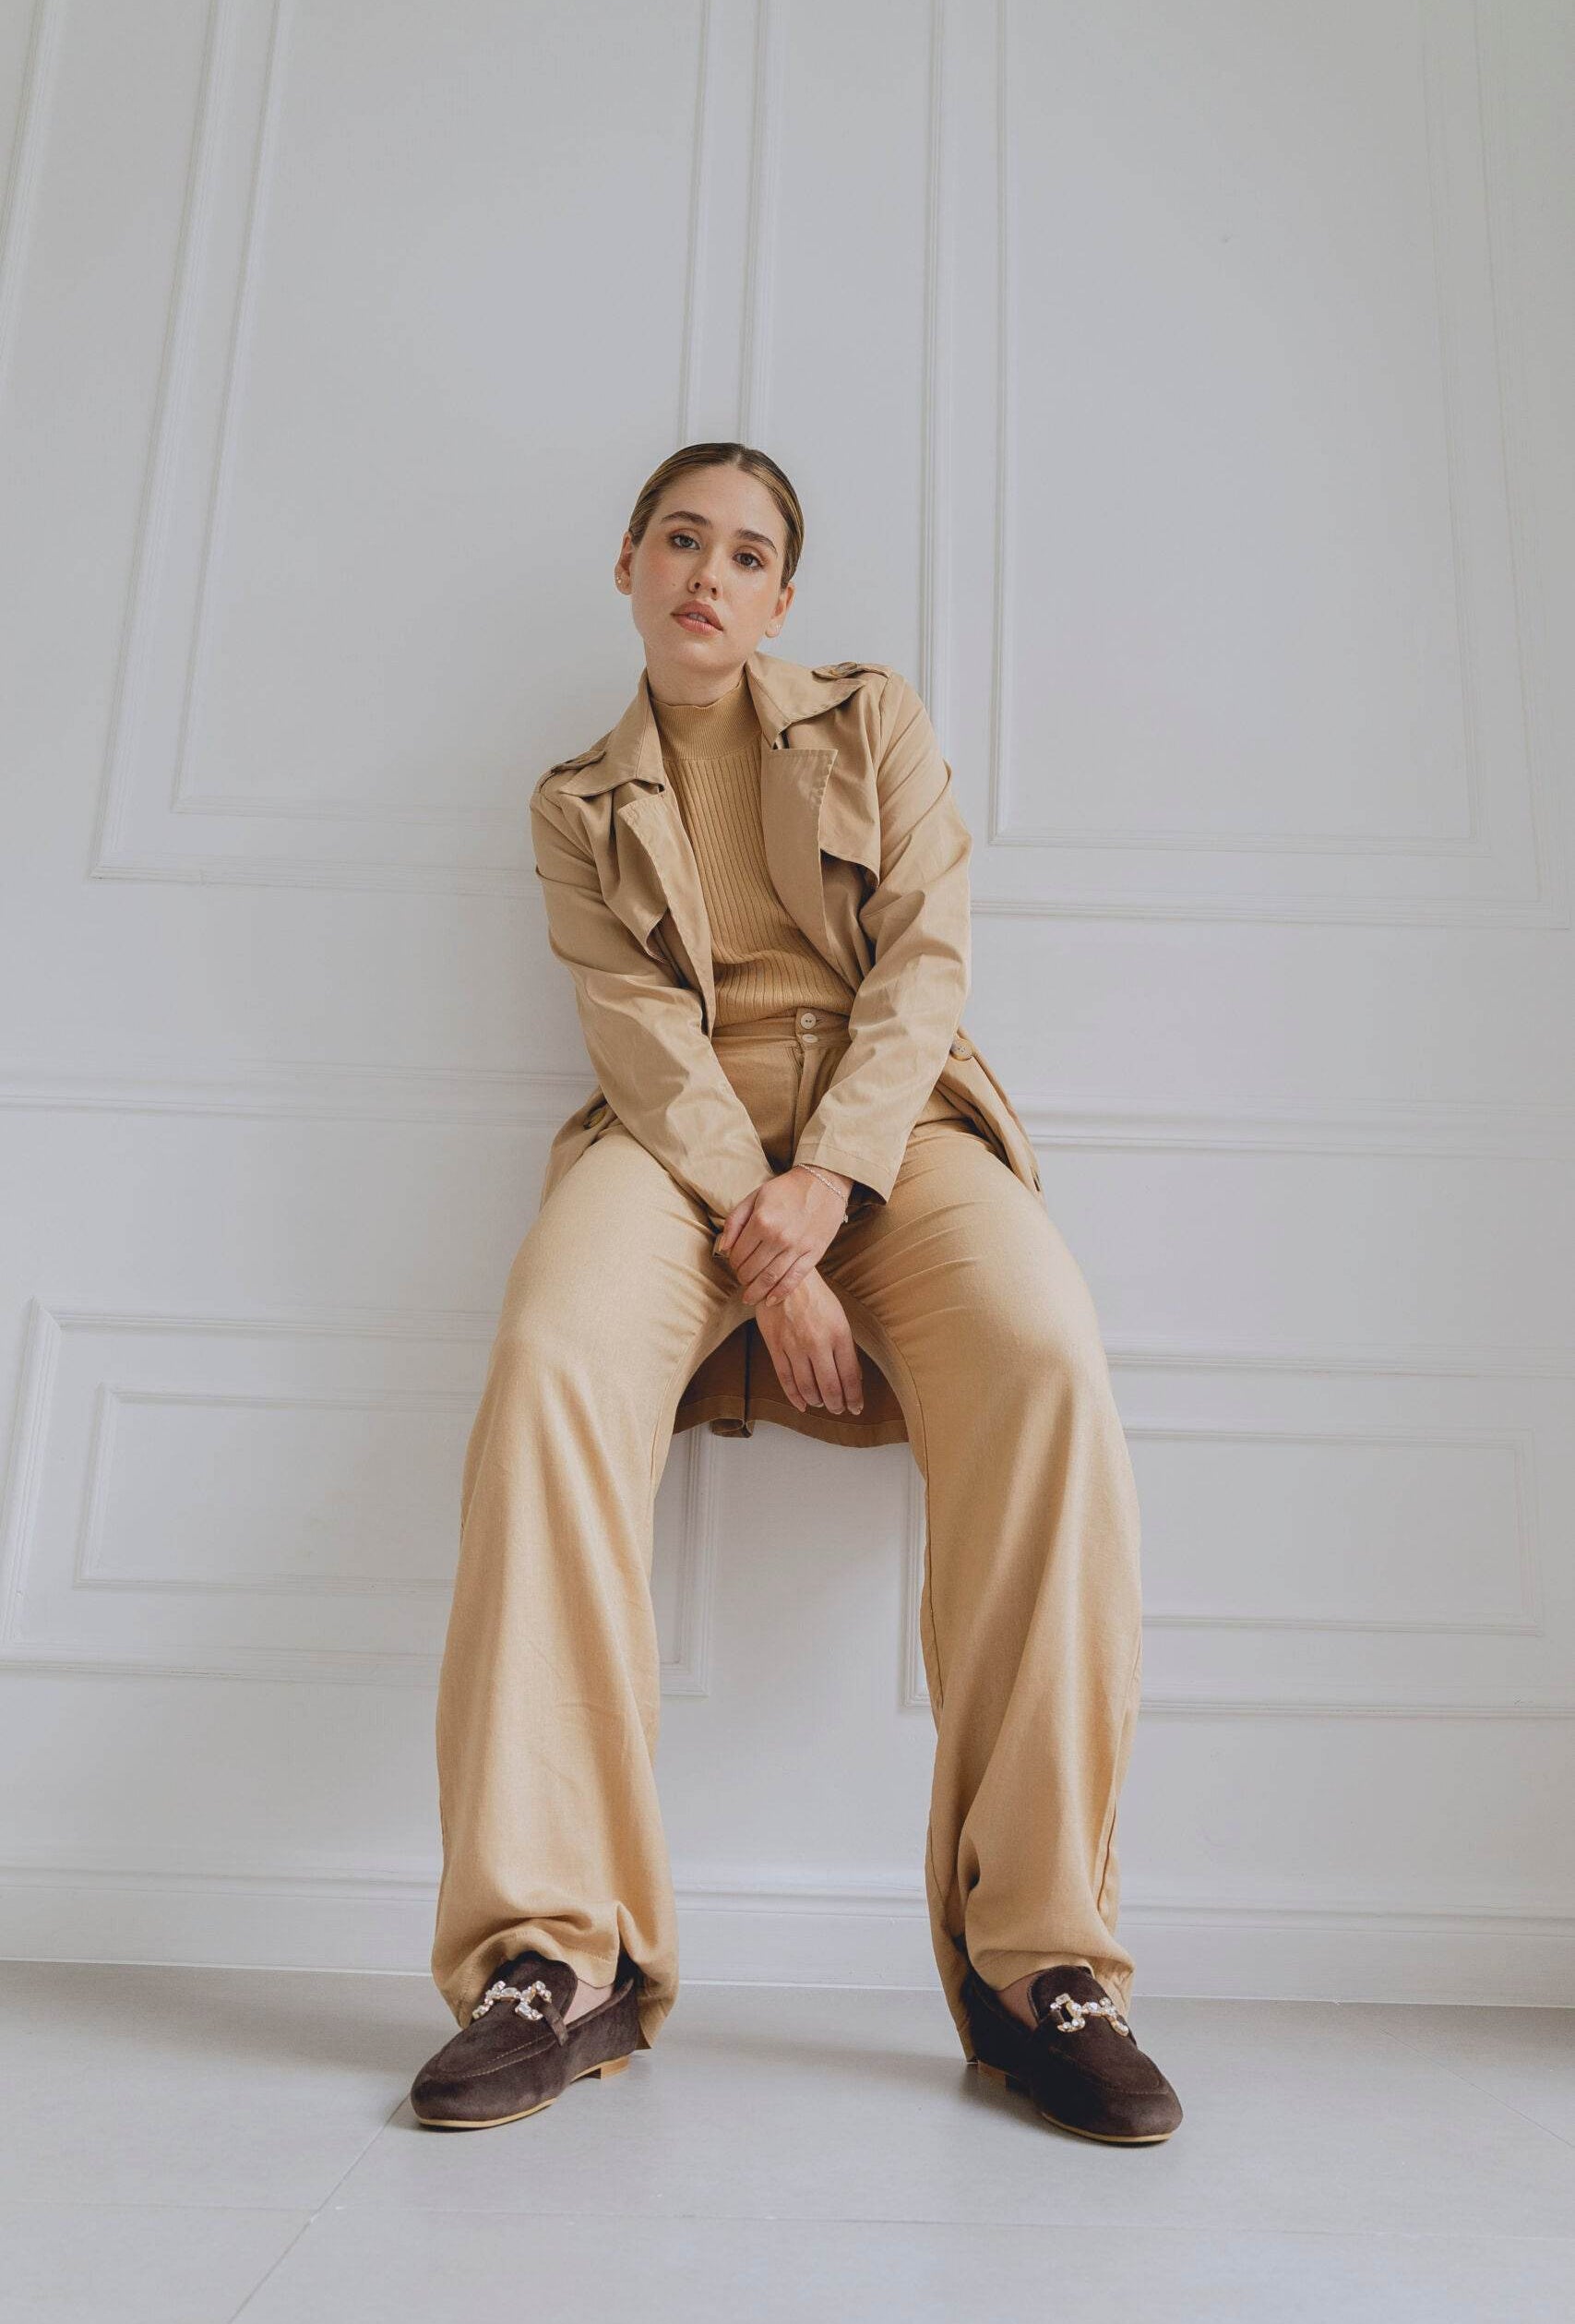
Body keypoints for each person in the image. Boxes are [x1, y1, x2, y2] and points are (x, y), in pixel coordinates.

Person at [409, 441, 1182, 2144]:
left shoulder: (872, 719)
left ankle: (1044, 1964)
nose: (710, 572)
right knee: (547, 1360)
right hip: (676, 1137)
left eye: (747, 554)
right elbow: (638, 1033)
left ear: (780, 598)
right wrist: (761, 1234)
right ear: (626, 565)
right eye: (679, 539)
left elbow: (925, 961)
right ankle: (555, 1958)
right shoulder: (573, 802)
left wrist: (824, 1193)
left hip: (890, 1127)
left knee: (1051, 1365)